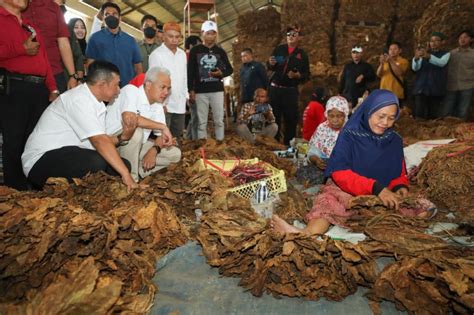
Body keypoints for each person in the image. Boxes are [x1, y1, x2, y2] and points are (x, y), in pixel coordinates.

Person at [271, 90, 432, 235]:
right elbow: (340, 173)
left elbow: (399, 172)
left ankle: (396, 227)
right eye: (381, 116)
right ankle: (304, 233)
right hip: (348, 188)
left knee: (424, 208)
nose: (385, 123)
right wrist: (375, 188)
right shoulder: (350, 135)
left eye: (391, 118)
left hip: (384, 191)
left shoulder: (394, 140)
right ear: (369, 111)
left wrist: (400, 187)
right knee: (327, 204)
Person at [22, 61, 138, 191]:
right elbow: (100, 142)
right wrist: (126, 176)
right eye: (117, 85)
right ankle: (64, 194)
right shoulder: (78, 99)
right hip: (40, 162)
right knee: (96, 163)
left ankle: (88, 196)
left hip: (69, 155)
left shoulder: (97, 103)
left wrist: (122, 137)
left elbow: (100, 141)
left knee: (123, 165)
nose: (118, 90)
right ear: (102, 85)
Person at [0, 0, 59, 190]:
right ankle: (15, 191)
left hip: (39, 89)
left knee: (36, 140)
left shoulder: (29, 24)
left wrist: (53, 88)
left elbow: (45, 60)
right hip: (14, 88)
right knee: (14, 141)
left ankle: (34, 185)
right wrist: (20, 49)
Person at [106, 67, 177, 182]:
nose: (166, 92)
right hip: (112, 145)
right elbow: (130, 120)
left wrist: (153, 150)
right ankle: (132, 180)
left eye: (168, 88)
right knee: (136, 132)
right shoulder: (131, 91)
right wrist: (162, 126)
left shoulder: (157, 105)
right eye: (162, 87)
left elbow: (160, 136)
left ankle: (137, 170)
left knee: (174, 154)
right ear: (148, 85)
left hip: (135, 147)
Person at [187, 20, 233, 141]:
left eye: (213, 33)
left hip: (217, 90)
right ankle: (203, 148)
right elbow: (190, 72)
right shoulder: (195, 51)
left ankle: (220, 144)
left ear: (216, 35)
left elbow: (230, 69)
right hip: (200, 91)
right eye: (208, 33)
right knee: (202, 122)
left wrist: (221, 73)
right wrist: (190, 89)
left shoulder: (220, 52)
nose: (211, 36)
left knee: (219, 120)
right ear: (202, 33)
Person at [267, 24, 310, 145]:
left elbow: (307, 75)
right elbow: (270, 66)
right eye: (288, 35)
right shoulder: (279, 49)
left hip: (290, 91)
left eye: (294, 35)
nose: (291, 36)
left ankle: (288, 146)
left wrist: (298, 76)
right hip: (275, 89)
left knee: (290, 119)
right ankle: (274, 145)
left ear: (299, 37)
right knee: (274, 119)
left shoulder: (302, 55)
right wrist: (270, 63)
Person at [23, 0, 78, 93]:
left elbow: (63, 42)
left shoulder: (54, 7)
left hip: (54, 72)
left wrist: (72, 75)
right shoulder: (12, 6)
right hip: (21, 75)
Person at [86, 2, 142, 87]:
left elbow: (138, 66)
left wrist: (139, 86)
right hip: (104, 88)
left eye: (114, 14)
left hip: (128, 87)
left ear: (120, 18)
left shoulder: (130, 40)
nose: (111, 16)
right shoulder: (95, 38)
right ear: (103, 18)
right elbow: (90, 65)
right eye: (107, 14)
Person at [149, 22, 188, 141]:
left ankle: (177, 158)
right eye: (171, 36)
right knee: (163, 137)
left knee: (177, 137)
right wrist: (161, 104)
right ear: (163, 36)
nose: (174, 40)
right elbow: (154, 81)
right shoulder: (157, 55)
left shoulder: (182, 54)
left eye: (177, 37)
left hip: (179, 103)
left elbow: (184, 77)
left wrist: (185, 96)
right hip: (165, 104)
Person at [411, 32, 450, 119]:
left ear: (443, 42)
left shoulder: (446, 54)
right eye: (431, 41)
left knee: (433, 115)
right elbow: (415, 68)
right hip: (421, 88)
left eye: (436, 40)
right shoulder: (424, 52)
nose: (433, 43)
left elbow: (441, 63)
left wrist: (428, 56)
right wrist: (416, 59)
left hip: (436, 88)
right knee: (419, 114)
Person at [307, 96, 350, 170]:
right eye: (331, 116)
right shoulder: (322, 129)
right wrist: (317, 161)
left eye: (339, 116)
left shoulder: (349, 131)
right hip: (322, 169)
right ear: (327, 115)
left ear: (345, 115)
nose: (335, 120)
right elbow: (312, 152)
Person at [442, 30, 474, 120]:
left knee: (463, 111)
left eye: (465, 37)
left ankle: (460, 131)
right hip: (451, 85)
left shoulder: (473, 54)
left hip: (467, 86)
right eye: (460, 38)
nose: (462, 39)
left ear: (471, 40)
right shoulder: (451, 53)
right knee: (447, 110)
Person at [184, 35, 202, 140]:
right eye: (198, 45)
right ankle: (196, 140)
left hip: (193, 90)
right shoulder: (187, 57)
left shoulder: (187, 56)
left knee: (195, 116)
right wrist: (190, 91)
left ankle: (188, 138)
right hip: (193, 91)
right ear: (191, 46)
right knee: (197, 117)